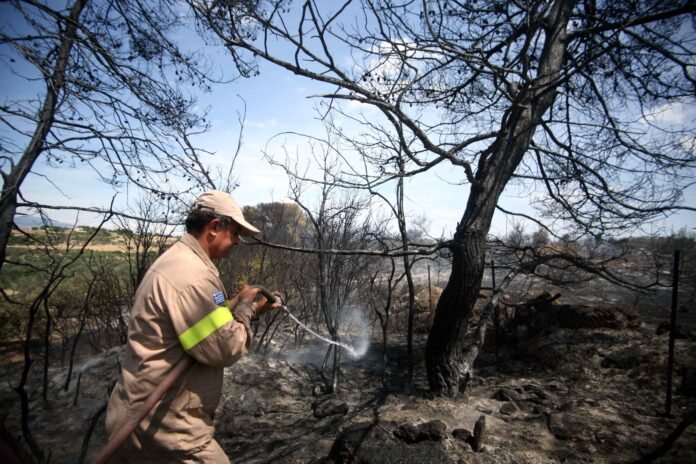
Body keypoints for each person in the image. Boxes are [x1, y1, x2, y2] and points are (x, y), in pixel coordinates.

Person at [105, 190, 280, 463]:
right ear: (213, 227)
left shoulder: (180, 261)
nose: (237, 241)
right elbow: (226, 348)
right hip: (165, 424)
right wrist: (245, 306)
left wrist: (254, 309)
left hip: (141, 412)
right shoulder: (192, 277)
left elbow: (206, 328)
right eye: (235, 233)